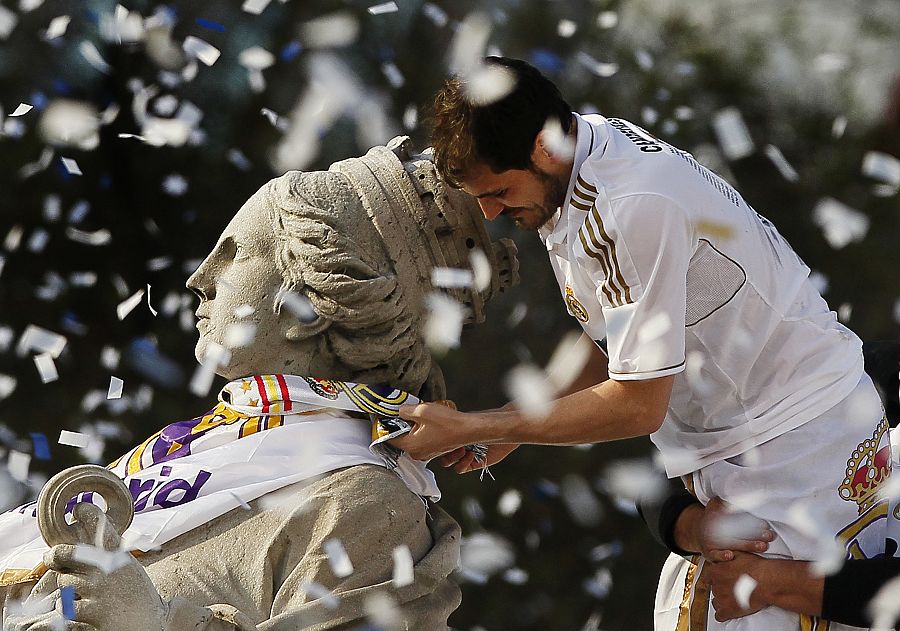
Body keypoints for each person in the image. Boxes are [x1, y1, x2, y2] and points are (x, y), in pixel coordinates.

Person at [391, 56, 891, 629]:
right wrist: (516, 421)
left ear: (543, 148)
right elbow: (617, 335)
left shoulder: (628, 206)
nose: (491, 213)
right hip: (787, 430)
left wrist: (488, 427)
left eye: (500, 191)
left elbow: (637, 402)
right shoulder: (589, 149)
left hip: (790, 449)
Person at [0, 139, 518, 630]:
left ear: (308, 308)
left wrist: (159, 623)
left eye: (234, 255)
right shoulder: (190, 452)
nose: (200, 277)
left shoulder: (364, 509)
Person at [641, 340, 900, 628]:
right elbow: (656, 477)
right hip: (707, 598)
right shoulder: (857, 380)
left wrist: (769, 580)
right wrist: (693, 526)